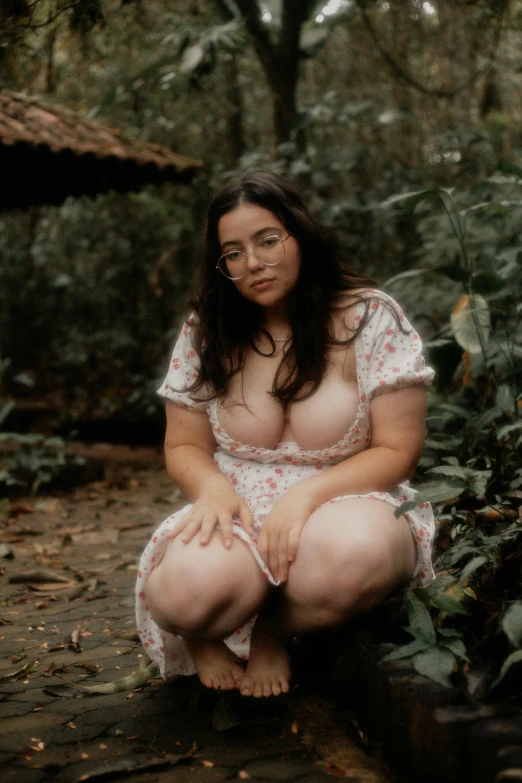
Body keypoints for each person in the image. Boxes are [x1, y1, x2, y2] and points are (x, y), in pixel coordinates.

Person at [136, 171, 435, 698]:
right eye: (233, 252)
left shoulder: (369, 317)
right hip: (238, 500)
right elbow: (183, 444)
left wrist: (304, 496)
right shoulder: (208, 328)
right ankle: (201, 635)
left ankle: (273, 630)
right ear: (220, 264)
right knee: (187, 594)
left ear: (301, 233)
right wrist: (214, 490)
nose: (252, 262)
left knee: (354, 558)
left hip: (347, 493)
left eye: (268, 240)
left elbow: (399, 450)